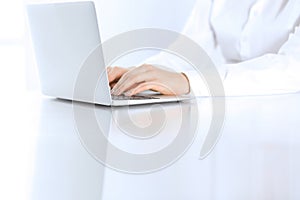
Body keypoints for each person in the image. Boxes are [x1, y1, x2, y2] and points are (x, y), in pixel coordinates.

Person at [108, 0, 300, 97]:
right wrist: (138, 75)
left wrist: (188, 81)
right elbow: (191, 49)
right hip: (231, 117)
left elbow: (293, 68)